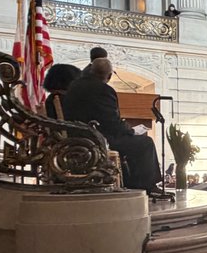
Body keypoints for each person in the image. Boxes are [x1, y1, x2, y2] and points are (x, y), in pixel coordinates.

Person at [61, 57, 161, 193]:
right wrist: (130, 130)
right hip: (98, 140)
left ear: (91, 70)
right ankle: (145, 187)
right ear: (108, 76)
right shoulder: (104, 90)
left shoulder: (74, 87)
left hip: (76, 137)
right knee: (145, 143)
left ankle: (132, 183)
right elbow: (112, 123)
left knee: (134, 142)